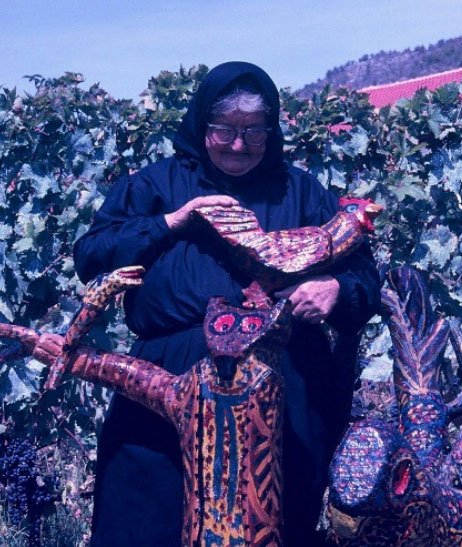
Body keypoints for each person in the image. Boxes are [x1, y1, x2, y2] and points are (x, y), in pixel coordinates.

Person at [73, 61, 381, 546]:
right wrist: (172, 222)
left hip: (283, 383)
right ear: (202, 125)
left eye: (254, 132)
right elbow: (91, 256)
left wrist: (335, 290)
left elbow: (364, 276)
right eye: (224, 131)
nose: (239, 145)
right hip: (166, 377)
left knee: (273, 521)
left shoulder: (300, 191)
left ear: (271, 131)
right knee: (147, 518)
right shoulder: (153, 186)